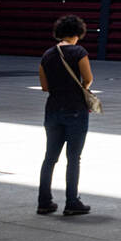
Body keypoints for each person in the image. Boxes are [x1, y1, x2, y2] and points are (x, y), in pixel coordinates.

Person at [37, 15, 93, 216]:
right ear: (77, 33)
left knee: (50, 158)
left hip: (52, 109)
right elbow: (88, 79)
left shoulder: (47, 54)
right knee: (73, 157)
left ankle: (44, 201)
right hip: (75, 110)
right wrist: (80, 89)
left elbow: (45, 87)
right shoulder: (79, 52)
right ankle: (72, 202)